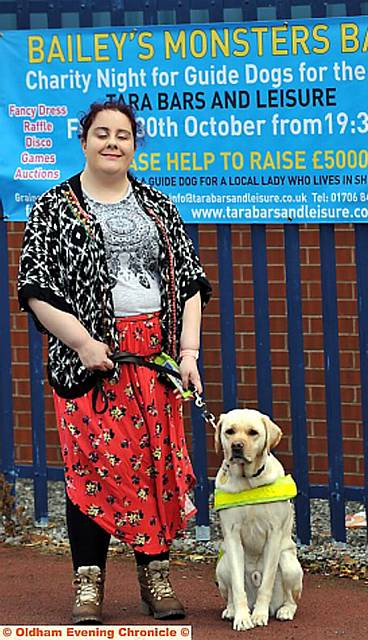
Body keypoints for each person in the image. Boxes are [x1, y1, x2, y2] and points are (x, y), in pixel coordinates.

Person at [17, 101, 211, 624]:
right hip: (89, 364)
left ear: (134, 145)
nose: (112, 143)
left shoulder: (158, 206)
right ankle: (88, 589)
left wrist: (188, 354)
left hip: (154, 360)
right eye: (101, 133)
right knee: (91, 471)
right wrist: (82, 344)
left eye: (123, 135)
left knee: (155, 469)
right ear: (83, 141)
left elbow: (191, 284)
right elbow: (36, 289)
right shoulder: (54, 208)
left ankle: (156, 577)